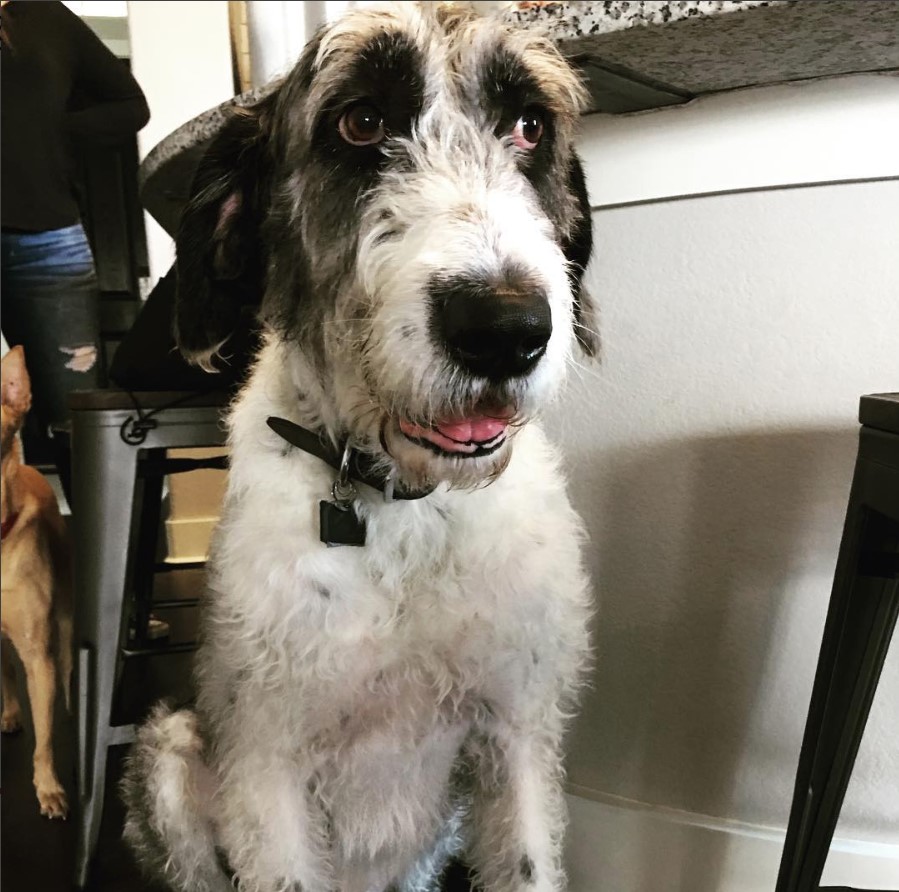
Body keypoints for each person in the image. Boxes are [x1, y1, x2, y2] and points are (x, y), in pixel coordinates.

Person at [1, 0, 149, 488]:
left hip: (48, 241)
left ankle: (91, 561)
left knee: (76, 423)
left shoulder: (43, 18)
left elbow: (130, 105)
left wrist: (53, 132)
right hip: (48, 239)